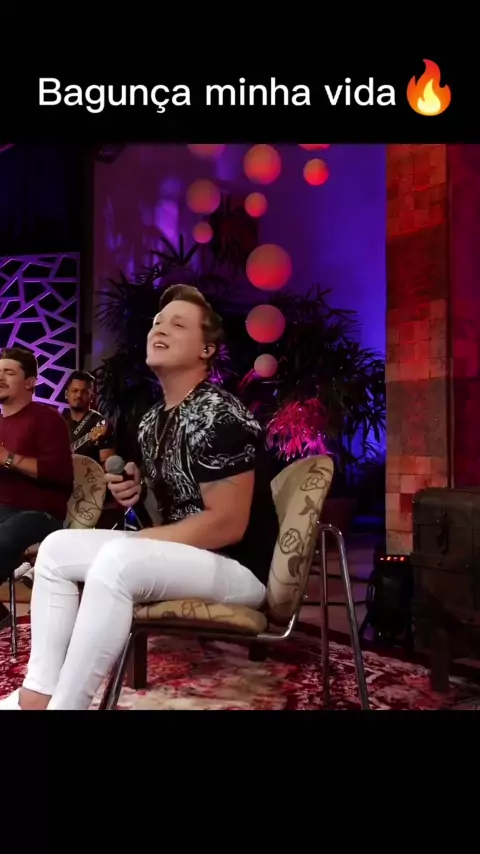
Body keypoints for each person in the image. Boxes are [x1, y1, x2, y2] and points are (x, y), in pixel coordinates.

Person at [0, 285, 280, 710]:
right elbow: (166, 517)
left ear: (206, 349)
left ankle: (67, 706)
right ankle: (37, 694)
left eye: (177, 324)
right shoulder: (151, 422)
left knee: (118, 558)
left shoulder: (219, 412)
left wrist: (135, 541)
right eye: (157, 322)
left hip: (238, 566)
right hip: (188, 555)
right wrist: (140, 493)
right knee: (56, 549)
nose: (159, 329)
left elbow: (226, 524)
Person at [0, 347, 74, 620]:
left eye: (9, 372)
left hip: (38, 515)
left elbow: (60, 474)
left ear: (30, 382)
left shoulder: (47, 419)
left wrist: (8, 458)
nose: (0, 377)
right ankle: (4, 622)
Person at [63, 370, 115, 466]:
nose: (79, 395)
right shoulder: (58, 422)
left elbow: (107, 466)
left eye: (84, 392)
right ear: (66, 394)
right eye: (75, 391)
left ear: (91, 397)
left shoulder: (101, 424)